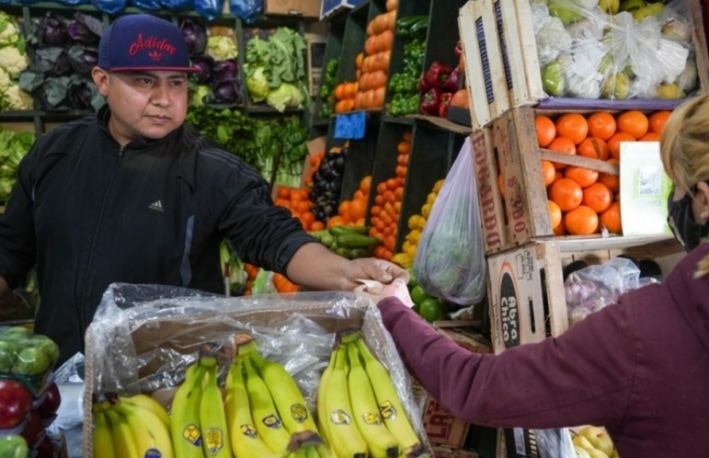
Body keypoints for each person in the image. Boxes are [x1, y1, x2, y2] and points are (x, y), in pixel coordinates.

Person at [358, 75, 709, 458]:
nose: (675, 199)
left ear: (705, 201)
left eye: (678, 185)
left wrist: (394, 310)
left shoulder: (648, 335)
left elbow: (479, 388)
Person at [0, 13, 406, 366]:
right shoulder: (54, 153)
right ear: (102, 81)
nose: (164, 99)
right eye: (144, 81)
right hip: (58, 372)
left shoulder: (212, 170)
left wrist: (345, 272)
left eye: (176, 83)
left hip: (166, 378)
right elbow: (12, 248)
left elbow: (274, 236)